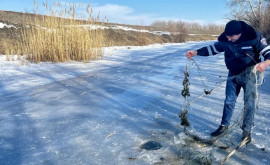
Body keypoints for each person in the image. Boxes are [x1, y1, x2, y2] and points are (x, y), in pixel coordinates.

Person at [186, 20, 270, 142]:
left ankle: (246, 132)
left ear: (240, 33)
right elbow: (213, 49)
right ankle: (224, 126)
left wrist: (266, 63)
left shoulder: (254, 37)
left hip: (251, 74)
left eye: (232, 36)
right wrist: (196, 52)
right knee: (229, 100)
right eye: (227, 36)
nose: (229, 39)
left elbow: (267, 51)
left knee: (249, 103)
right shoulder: (226, 39)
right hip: (233, 74)